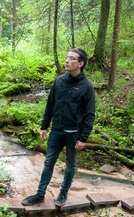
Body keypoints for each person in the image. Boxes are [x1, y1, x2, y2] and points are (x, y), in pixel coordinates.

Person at [22, 48, 96, 207]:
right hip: (56, 130)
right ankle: (40, 194)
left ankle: (63, 194)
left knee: (70, 164)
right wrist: (44, 126)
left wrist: (83, 138)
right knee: (49, 162)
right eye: (67, 57)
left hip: (73, 133)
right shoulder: (59, 81)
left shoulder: (87, 87)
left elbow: (90, 114)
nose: (67, 61)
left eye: (72, 58)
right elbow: (50, 104)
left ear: (80, 63)